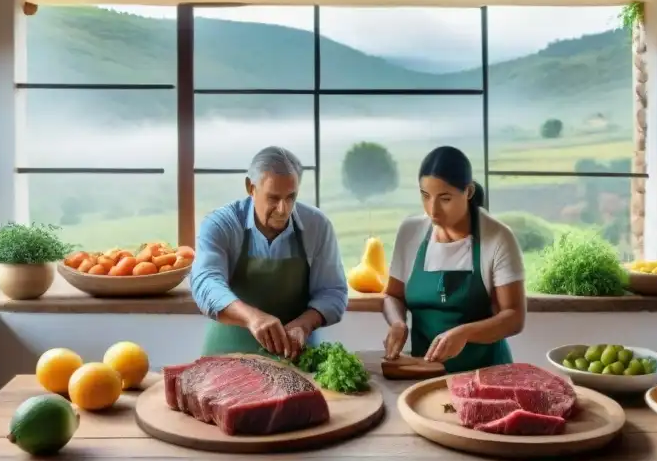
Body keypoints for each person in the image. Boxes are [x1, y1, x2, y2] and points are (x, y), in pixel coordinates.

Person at [191, 146, 348, 358]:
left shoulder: (317, 226)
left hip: (297, 358)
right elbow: (205, 282)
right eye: (273, 198)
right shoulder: (220, 224)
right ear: (250, 187)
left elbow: (333, 291)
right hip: (226, 357)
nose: (283, 209)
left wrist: (304, 325)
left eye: (291, 197)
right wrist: (252, 318)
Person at [381, 146, 527, 373]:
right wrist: (398, 323)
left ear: (468, 192)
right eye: (425, 196)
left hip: (487, 373)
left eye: (445, 198)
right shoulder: (410, 233)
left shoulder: (497, 238)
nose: (433, 210)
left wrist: (465, 333)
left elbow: (514, 317)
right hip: (426, 373)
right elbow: (393, 295)